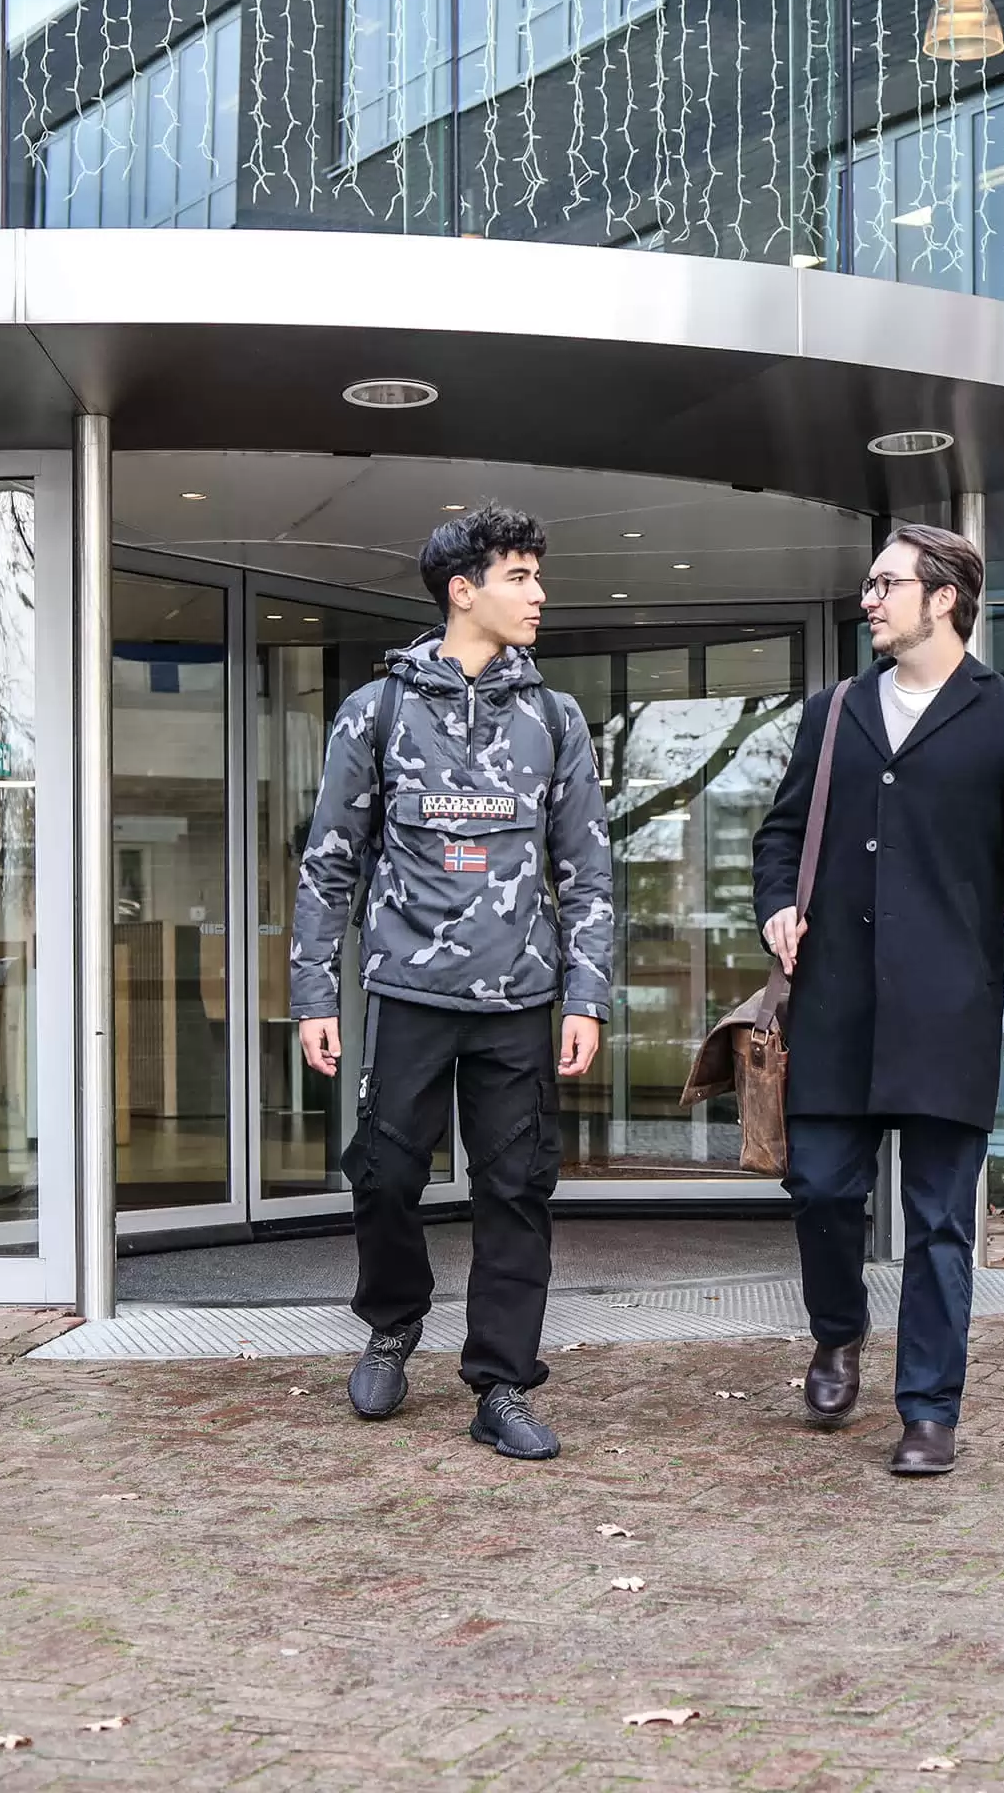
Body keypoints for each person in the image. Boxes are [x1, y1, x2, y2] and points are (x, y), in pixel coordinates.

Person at [290, 503, 613, 1462]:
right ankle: (393, 1323)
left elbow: (587, 871)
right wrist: (314, 994)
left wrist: (586, 994)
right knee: (385, 1176)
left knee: (517, 1188)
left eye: (538, 575)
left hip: (520, 1001)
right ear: (462, 592)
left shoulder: (555, 718)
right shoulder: (378, 710)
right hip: (407, 994)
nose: (539, 594)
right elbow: (329, 862)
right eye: (520, 577)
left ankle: (501, 1383)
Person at [753, 524, 1004, 1476]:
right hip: (834, 1004)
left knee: (940, 1221)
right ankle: (837, 1330)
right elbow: (780, 835)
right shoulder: (835, 710)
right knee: (820, 1189)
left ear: (943, 598)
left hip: (947, 1010)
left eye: (886, 584)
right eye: (869, 584)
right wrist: (776, 905)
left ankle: (930, 1409)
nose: (869, 600)